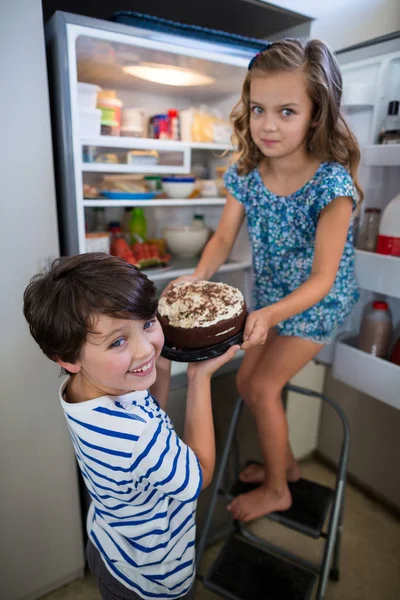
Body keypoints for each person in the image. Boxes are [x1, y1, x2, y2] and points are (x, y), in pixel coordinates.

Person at [166, 38, 362, 522]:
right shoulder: (248, 170)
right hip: (273, 296)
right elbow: (221, 241)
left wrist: (270, 313)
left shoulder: (331, 185)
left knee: (262, 387)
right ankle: (289, 464)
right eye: (258, 108)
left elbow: (322, 278)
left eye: (287, 111)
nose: (268, 124)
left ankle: (278, 489)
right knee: (249, 379)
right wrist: (197, 276)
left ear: (316, 114)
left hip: (318, 302)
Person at [23, 252, 239, 600]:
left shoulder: (85, 390)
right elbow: (198, 475)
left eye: (148, 323)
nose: (145, 349)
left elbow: (152, 407)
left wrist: (163, 358)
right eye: (118, 341)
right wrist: (200, 378)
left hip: (111, 541)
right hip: (150, 575)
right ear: (67, 358)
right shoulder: (136, 435)